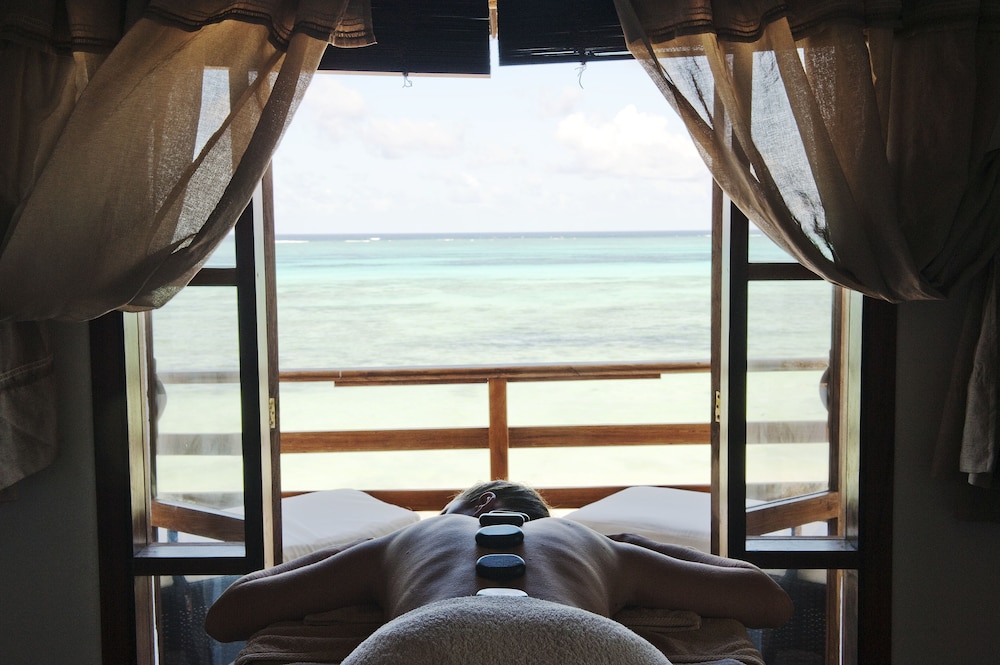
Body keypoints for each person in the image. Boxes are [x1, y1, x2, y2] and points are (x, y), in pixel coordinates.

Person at [204, 482, 793, 643]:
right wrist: (643, 544)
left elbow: (229, 614)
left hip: (428, 641)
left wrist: (349, 553)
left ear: (481, 504)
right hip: (580, 643)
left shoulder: (405, 542)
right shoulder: (601, 548)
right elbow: (767, 600)